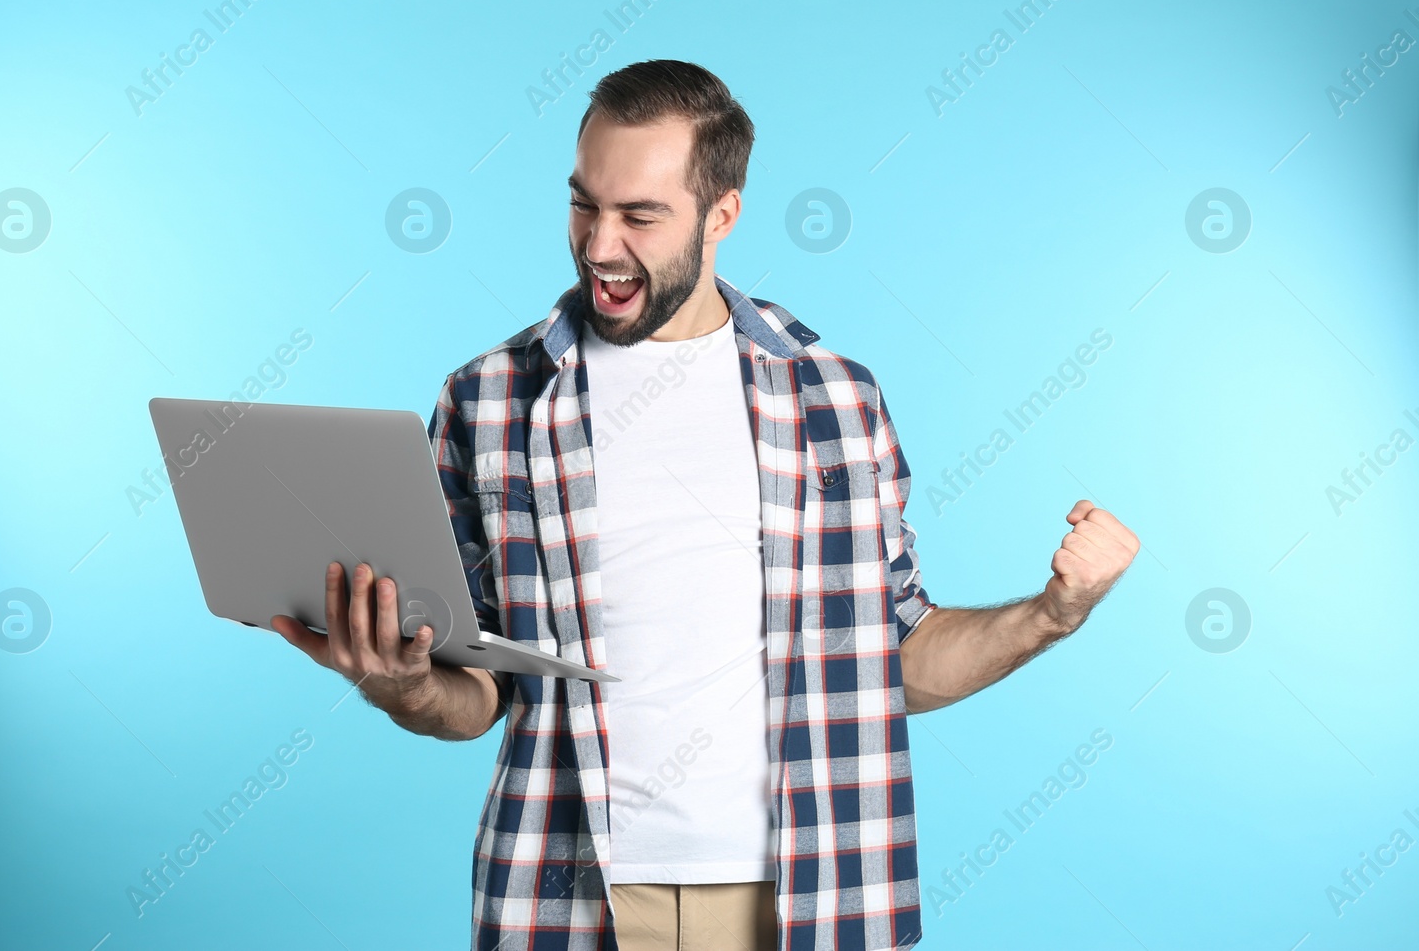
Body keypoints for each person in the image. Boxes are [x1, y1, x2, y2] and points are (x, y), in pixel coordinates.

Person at [272, 59, 1140, 951]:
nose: (600, 245)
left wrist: (1051, 614)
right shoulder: (488, 399)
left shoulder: (836, 401)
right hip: (564, 894)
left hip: (808, 894)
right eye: (584, 204)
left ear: (722, 212)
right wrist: (400, 681)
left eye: (640, 215)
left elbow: (897, 658)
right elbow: (480, 685)